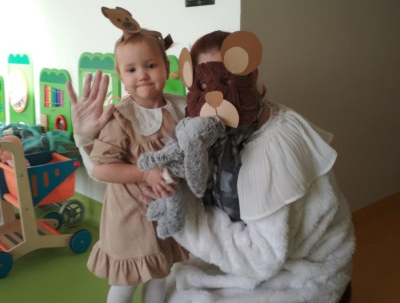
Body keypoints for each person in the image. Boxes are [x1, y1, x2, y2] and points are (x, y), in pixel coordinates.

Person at [68, 30, 355, 303]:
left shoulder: (266, 145)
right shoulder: (209, 122)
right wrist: (85, 137)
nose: (215, 96)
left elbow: (263, 256)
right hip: (153, 229)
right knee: (150, 283)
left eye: (226, 79)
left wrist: (181, 209)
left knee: (166, 281)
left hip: (296, 266)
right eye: (204, 85)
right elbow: (105, 167)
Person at [67, 28, 189, 303]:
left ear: (167, 67)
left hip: (165, 212)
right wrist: (144, 173)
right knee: (126, 283)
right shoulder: (122, 117)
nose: (142, 75)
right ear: (121, 76)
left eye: (150, 65)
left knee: (160, 274)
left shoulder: (179, 108)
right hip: (129, 217)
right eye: (131, 70)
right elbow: (101, 169)